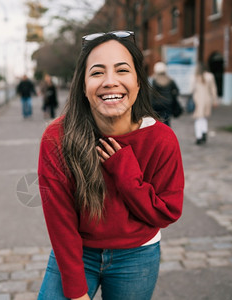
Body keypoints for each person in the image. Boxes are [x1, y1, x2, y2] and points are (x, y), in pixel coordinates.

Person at [37, 31, 184, 300]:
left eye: (122, 70)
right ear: (83, 85)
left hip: (137, 255)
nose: (110, 81)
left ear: (139, 82)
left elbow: (166, 213)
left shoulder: (162, 139)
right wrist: (76, 291)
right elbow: (60, 220)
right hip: (77, 252)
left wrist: (125, 172)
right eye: (97, 73)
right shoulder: (57, 138)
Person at [191, 63, 218, 145]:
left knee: (198, 118)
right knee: (204, 117)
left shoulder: (194, 77)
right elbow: (213, 89)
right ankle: (204, 131)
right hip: (207, 99)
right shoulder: (210, 76)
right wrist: (215, 100)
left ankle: (199, 136)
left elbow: (191, 89)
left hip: (198, 100)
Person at [151, 61, 182, 126]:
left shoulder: (154, 80)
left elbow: (152, 93)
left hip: (157, 104)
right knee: (167, 120)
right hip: (168, 103)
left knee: (158, 121)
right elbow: (177, 90)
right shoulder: (170, 80)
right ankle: (167, 133)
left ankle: (159, 133)